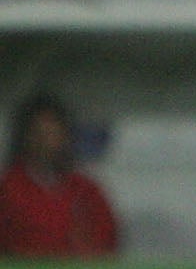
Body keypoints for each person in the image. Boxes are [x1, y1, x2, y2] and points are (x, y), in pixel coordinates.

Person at [0, 94, 119, 257]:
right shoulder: (7, 189)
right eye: (38, 134)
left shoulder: (86, 190)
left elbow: (107, 243)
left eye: (52, 133)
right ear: (25, 137)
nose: (45, 142)